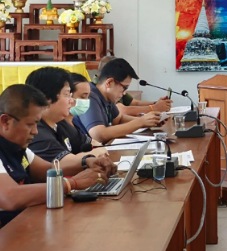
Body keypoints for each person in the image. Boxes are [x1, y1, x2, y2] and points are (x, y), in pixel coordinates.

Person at [0, 84, 113, 227]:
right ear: (6, 121)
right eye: (30, 124)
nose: (35, 131)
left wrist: (86, 162)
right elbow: (10, 197)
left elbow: (49, 170)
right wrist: (71, 184)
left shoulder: (17, 147)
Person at [25, 67, 107, 168]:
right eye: (67, 95)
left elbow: (94, 144)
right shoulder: (36, 130)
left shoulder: (60, 123)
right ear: (46, 98)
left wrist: (95, 153)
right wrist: (94, 155)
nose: (72, 101)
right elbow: (64, 165)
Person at [73, 58, 161, 144]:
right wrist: (140, 122)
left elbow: (119, 119)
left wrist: (149, 121)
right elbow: (99, 134)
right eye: (124, 88)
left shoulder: (107, 97)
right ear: (109, 83)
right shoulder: (89, 96)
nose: (124, 93)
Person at [96, 55, 172, 115]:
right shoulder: (101, 90)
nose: (124, 93)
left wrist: (157, 103)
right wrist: (154, 108)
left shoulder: (117, 87)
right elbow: (122, 110)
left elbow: (135, 103)